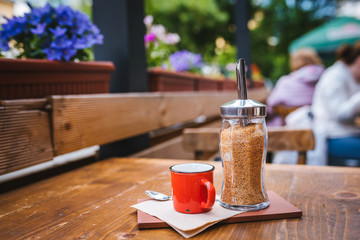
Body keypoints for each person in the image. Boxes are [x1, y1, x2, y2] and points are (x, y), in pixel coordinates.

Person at [312, 42, 360, 166]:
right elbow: (339, 113)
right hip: (331, 137)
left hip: (349, 134)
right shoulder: (334, 76)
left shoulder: (353, 77)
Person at [266, 48, 324, 126]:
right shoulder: (324, 78)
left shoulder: (286, 81)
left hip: (289, 126)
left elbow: (271, 104)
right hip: (318, 124)